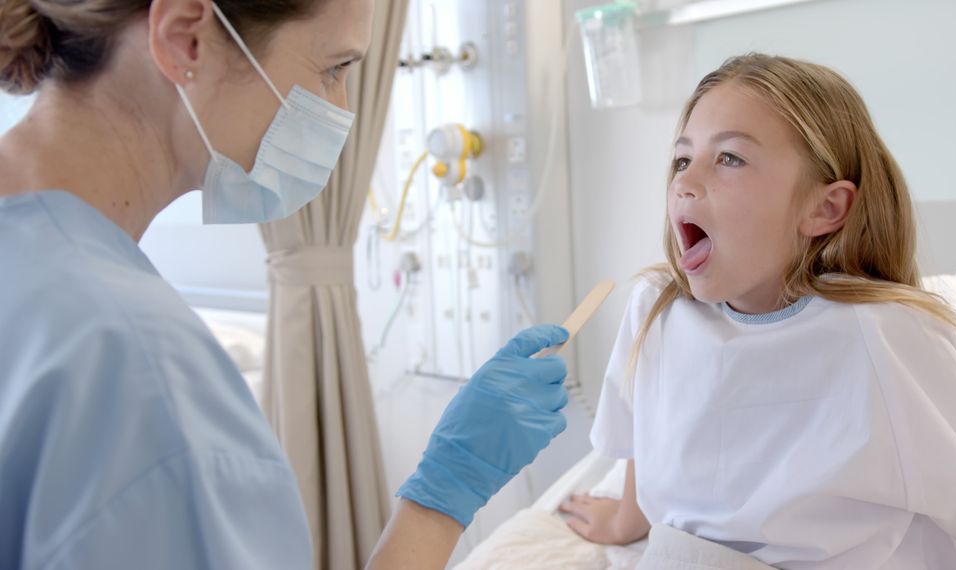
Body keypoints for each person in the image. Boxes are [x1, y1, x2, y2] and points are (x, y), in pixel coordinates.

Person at [0, 0, 570, 568]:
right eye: (334, 69)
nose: (343, 112)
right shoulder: (140, 376)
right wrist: (446, 492)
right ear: (185, 40)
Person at [558, 53, 956, 569]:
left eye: (730, 158)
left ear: (824, 208)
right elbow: (639, 436)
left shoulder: (881, 337)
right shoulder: (658, 309)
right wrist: (629, 519)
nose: (684, 183)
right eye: (681, 158)